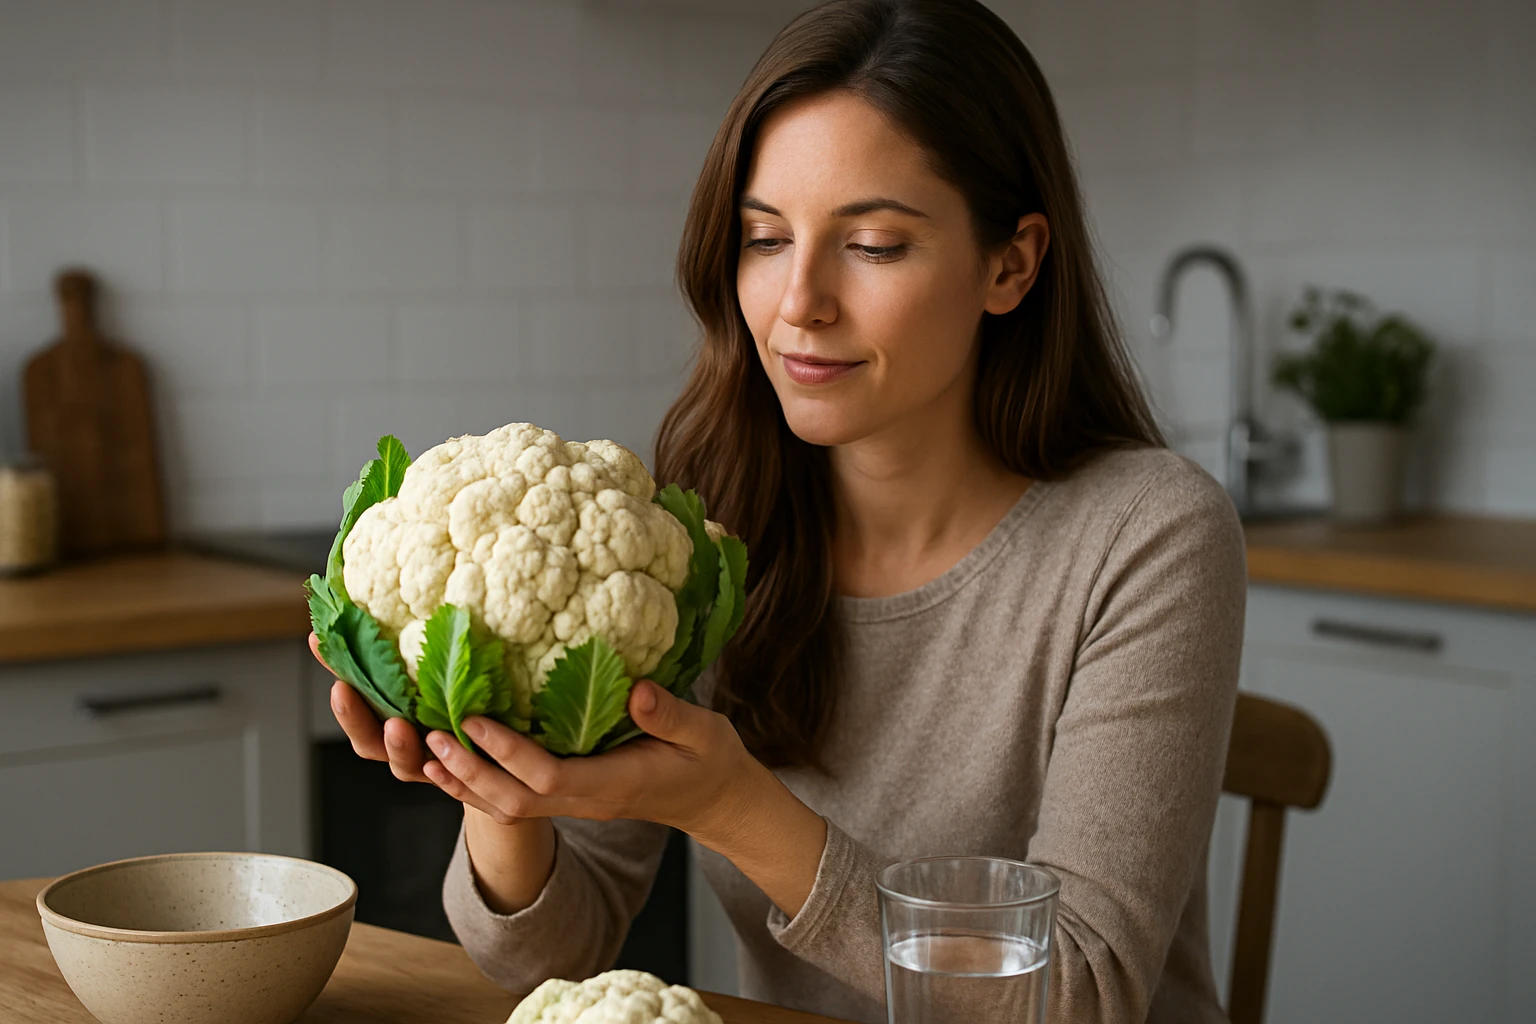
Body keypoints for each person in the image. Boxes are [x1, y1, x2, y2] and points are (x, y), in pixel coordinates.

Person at [317, 1, 1247, 1021]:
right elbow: (545, 953)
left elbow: (1081, 994)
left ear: (1010, 263)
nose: (799, 300)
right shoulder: (712, 537)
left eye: (874, 245)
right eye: (765, 238)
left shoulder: (1149, 536)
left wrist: (734, 807)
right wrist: (496, 780)